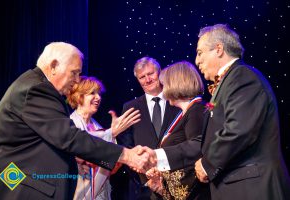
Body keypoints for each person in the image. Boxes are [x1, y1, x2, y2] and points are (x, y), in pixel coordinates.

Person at [0, 42, 154, 200]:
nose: (77, 80)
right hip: (21, 186)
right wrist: (126, 155)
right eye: (74, 73)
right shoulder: (37, 89)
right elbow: (69, 137)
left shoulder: (34, 85)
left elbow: (48, 141)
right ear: (53, 66)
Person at [193, 24, 290, 199]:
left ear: (219, 49)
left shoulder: (242, 76)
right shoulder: (229, 81)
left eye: (200, 53)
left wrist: (207, 164)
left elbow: (238, 130)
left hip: (252, 188)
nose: (196, 61)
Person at [116, 57, 180, 199]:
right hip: (144, 186)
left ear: (160, 72)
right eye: (142, 77)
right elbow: (126, 146)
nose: (147, 80)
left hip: (178, 183)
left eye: (150, 74)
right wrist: (146, 177)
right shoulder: (130, 107)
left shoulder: (177, 101)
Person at [146, 61, 210, 200]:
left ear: (176, 84)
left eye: (165, 84)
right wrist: (161, 180)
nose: (162, 90)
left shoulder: (197, 110)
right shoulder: (184, 113)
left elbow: (197, 153)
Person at [67, 76, 135, 200]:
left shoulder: (96, 125)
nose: (98, 97)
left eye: (99, 93)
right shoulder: (71, 124)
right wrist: (111, 133)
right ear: (79, 96)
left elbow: (111, 164)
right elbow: (84, 144)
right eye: (92, 93)